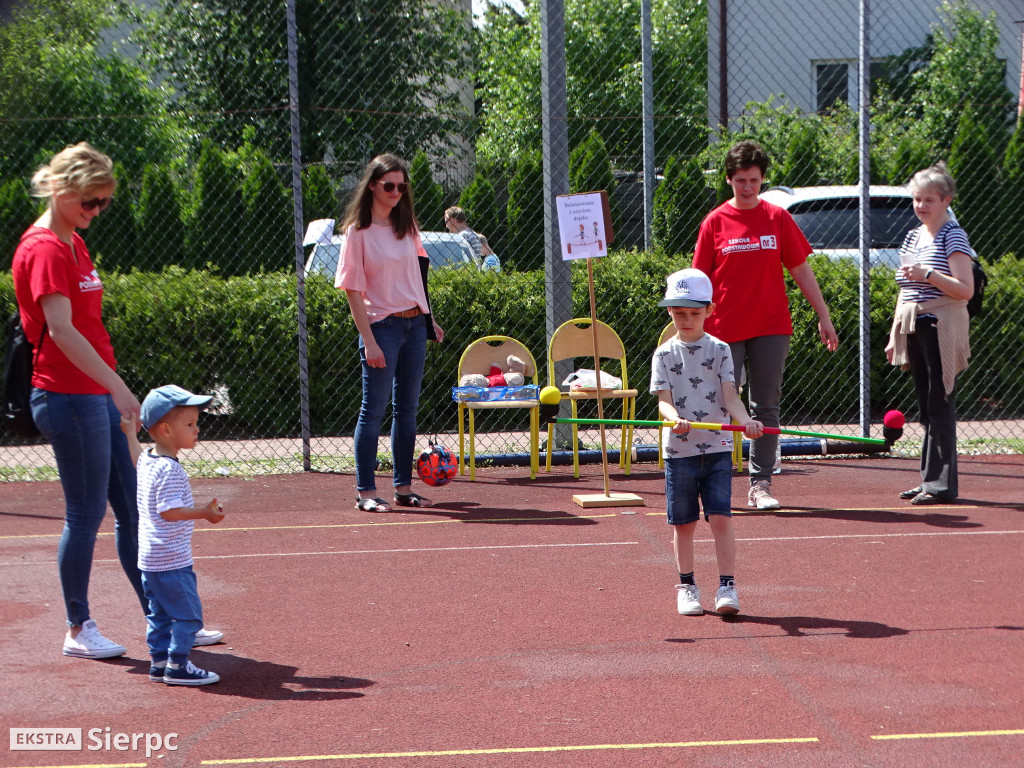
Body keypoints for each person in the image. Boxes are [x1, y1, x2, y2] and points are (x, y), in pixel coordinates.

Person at [11, 142, 146, 659]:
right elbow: (63, 331)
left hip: (93, 392)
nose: (96, 211)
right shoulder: (43, 247)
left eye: (104, 203)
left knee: (133, 509)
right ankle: (78, 626)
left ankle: (164, 614)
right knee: (85, 514)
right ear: (63, 189)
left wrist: (109, 387)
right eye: (90, 201)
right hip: (68, 396)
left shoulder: (72, 241)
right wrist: (117, 385)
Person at [693, 140, 838, 511]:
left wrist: (823, 315)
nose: (747, 187)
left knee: (765, 406)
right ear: (729, 180)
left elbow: (801, 268)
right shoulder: (714, 222)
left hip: (772, 326)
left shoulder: (777, 218)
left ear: (762, 180)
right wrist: (692, 325)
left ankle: (760, 484)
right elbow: (698, 280)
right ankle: (713, 480)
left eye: (754, 180)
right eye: (740, 180)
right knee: (719, 404)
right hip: (724, 329)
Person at [651, 268, 764, 616]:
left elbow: (731, 397)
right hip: (679, 451)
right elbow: (663, 401)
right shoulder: (664, 355)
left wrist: (746, 422)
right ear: (669, 311)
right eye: (679, 313)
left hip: (717, 449)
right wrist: (673, 419)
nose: (686, 320)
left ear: (709, 311)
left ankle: (727, 586)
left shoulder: (721, 350)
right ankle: (686, 586)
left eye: (694, 313)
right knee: (683, 523)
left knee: (720, 519)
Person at [336, 154, 444, 512]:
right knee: (373, 410)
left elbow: (418, 273)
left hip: (415, 324)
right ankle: (365, 492)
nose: (396, 191)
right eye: (389, 186)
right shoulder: (358, 232)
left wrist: (429, 318)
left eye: (402, 186)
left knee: (407, 411)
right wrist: (368, 340)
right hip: (381, 327)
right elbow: (352, 290)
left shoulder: (406, 225)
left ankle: (402, 488)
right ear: (372, 186)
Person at [121, 385, 223, 685]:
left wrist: (130, 433)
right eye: (189, 424)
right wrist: (203, 512)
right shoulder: (170, 470)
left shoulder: (150, 461)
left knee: (160, 615)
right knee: (189, 616)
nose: (197, 429)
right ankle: (178, 666)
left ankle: (159, 662)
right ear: (165, 430)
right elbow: (169, 511)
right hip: (171, 560)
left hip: (150, 560)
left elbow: (136, 458)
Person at [885, 163, 973, 505]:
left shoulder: (953, 234)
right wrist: (895, 335)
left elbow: (964, 289)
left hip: (942, 323)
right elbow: (905, 290)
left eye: (929, 200)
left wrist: (930, 274)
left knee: (940, 402)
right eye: (917, 199)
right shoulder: (912, 235)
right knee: (926, 405)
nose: (921, 206)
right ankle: (928, 481)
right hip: (915, 324)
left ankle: (940, 486)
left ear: (946, 200)